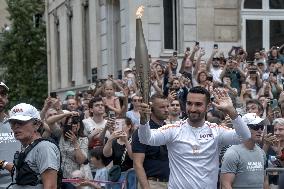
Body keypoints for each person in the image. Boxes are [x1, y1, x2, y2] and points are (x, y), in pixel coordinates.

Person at [138, 86, 251, 189]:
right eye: (189, 103)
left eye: (198, 104)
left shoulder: (216, 131)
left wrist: (231, 110)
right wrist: (143, 121)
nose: (192, 108)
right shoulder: (173, 129)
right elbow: (146, 139)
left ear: (208, 107)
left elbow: (245, 136)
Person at [6, 103, 61, 188]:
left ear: (37, 124)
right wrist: (3, 163)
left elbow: (50, 187)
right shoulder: (28, 147)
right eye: (12, 123)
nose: (16, 126)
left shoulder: (44, 148)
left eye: (21, 122)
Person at [220, 113, 268, 189]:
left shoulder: (261, 153)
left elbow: (265, 181)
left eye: (261, 127)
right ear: (244, 128)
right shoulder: (232, 153)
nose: (260, 130)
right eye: (255, 127)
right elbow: (226, 185)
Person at [132, 94, 170, 189]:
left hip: (172, 183)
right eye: (162, 107)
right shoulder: (142, 132)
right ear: (151, 109)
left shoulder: (170, 129)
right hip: (152, 183)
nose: (166, 110)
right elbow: (137, 163)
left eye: (167, 106)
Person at [0, 82, 21, 189]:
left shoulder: (15, 123)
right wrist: (3, 164)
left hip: (19, 183)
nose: (0, 97)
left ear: (7, 98)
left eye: (3, 94)